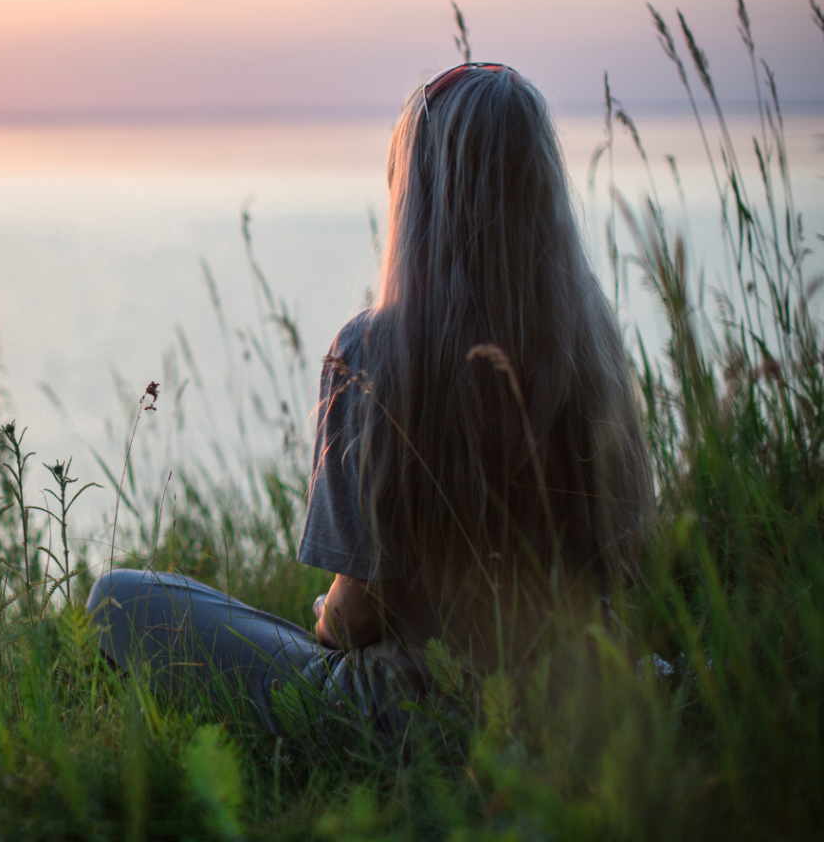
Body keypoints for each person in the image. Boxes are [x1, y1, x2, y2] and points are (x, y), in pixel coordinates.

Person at [86, 62, 653, 735]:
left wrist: (326, 613)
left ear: (418, 196)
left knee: (123, 599)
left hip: (415, 716)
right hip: (581, 703)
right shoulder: (594, 348)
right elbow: (627, 566)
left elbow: (357, 618)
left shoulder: (375, 353)